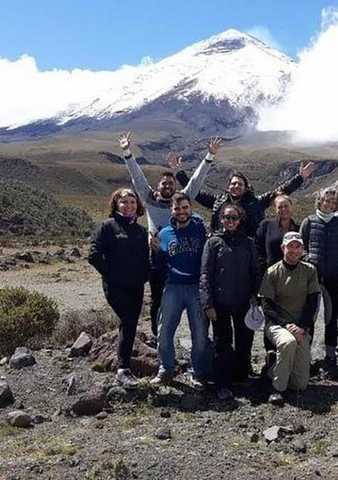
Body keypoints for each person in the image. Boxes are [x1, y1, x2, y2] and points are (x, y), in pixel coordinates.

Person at [119, 132, 221, 337]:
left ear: (175, 188)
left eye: (171, 184)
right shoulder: (148, 198)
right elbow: (137, 176)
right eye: (164, 183)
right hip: (158, 256)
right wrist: (127, 152)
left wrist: (209, 157)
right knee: (157, 298)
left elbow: (196, 181)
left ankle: (200, 338)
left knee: (195, 298)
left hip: (184, 257)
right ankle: (159, 338)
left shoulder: (181, 200)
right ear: (158, 185)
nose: (167, 186)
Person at [88, 188, 151, 387]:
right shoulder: (107, 227)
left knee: (130, 324)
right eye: (124, 201)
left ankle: (124, 367)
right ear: (116, 204)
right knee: (129, 321)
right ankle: (122, 369)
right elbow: (94, 255)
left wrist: (144, 276)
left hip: (136, 286)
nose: (129, 205)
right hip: (115, 287)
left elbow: (144, 259)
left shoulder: (140, 231)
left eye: (132, 202)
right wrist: (112, 276)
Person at [200, 203, 261, 400]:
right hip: (220, 303)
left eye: (234, 217)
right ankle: (222, 383)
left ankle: (241, 377)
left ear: (240, 220)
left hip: (244, 300)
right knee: (222, 343)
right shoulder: (213, 243)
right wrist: (207, 304)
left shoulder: (248, 242)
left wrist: (256, 294)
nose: (230, 221)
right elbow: (205, 274)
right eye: (227, 217)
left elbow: (254, 271)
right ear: (220, 219)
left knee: (245, 340)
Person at [150, 193, 211, 387]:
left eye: (185, 207)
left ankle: (197, 371)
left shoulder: (201, 229)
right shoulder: (165, 233)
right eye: (177, 208)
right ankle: (166, 369)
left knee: (200, 332)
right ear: (172, 210)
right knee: (164, 330)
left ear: (190, 208)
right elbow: (159, 265)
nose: (181, 212)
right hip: (173, 286)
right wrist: (156, 251)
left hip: (196, 287)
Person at [258, 231, 321, 405]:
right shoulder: (272, 272)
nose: (293, 250)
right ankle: (277, 388)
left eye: (297, 247)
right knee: (288, 343)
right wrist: (287, 325)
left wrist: (301, 326)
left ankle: (273, 367)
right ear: (282, 248)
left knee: (300, 384)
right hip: (278, 325)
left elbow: (313, 302)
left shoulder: (310, 271)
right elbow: (267, 306)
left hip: (300, 327)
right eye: (290, 246)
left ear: (302, 249)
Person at [180, 162, 316, 237]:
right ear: (228, 187)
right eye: (233, 184)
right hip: (221, 246)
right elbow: (194, 192)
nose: (236, 186)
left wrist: (300, 177)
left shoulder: (255, 203)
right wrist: (179, 174)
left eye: (240, 184)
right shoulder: (218, 201)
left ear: (245, 188)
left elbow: (280, 191)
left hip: (249, 250)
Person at [300, 188, 338, 374]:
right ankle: (306, 356)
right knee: (310, 316)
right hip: (312, 277)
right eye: (326, 200)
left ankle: (330, 355)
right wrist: (309, 261)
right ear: (319, 202)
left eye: (333, 201)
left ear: (336, 204)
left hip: (332, 277)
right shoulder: (309, 221)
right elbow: (301, 245)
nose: (329, 204)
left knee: (331, 316)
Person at [255, 194, 300, 372]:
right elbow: (258, 250)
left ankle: (293, 358)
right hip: (270, 279)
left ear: (291, 206)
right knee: (271, 319)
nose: (283, 210)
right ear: (275, 209)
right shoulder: (266, 226)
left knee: (292, 315)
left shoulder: (298, 227)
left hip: (293, 279)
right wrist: (260, 274)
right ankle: (271, 358)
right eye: (279, 207)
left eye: (286, 206)